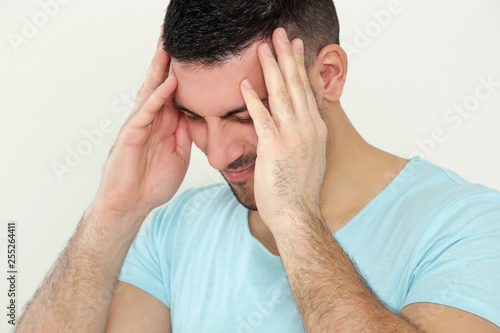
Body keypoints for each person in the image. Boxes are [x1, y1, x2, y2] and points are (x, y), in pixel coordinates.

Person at [16, 0, 500, 332]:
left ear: (326, 76)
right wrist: (114, 212)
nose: (219, 155)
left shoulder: (469, 225)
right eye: (192, 117)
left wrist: (292, 218)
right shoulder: (173, 229)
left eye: (245, 115)